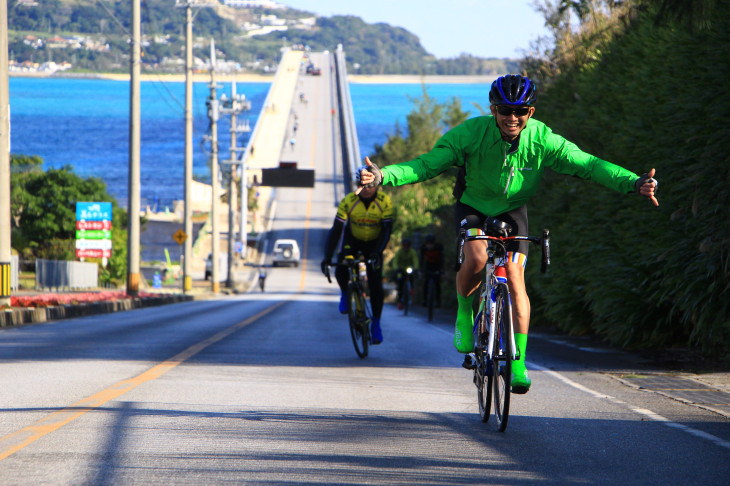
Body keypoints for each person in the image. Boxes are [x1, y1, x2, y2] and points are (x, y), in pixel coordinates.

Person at [356, 74, 658, 393]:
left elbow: (589, 164)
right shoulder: (471, 133)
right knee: (475, 257)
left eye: (520, 111)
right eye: (504, 110)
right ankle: (463, 313)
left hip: (513, 211)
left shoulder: (544, 140)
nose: (511, 118)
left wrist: (632, 182)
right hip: (473, 206)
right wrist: (383, 175)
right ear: (493, 109)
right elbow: (426, 165)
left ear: (531, 112)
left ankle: (518, 365)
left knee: (515, 276)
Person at [321, 174, 393, 344]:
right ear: (357, 185)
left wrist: (378, 252)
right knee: (342, 266)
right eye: (363, 185)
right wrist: (327, 257)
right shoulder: (348, 201)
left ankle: (376, 324)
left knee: (376, 285)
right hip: (353, 241)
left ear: (376, 185)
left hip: (374, 244)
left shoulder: (384, 202)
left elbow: (387, 230)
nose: (367, 190)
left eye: (370, 185)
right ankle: (345, 293)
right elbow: (336, 230)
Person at [390, 237, 419, 310]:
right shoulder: (399, 252)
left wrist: (415, 268)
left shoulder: (412, 252)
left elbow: (415, 260)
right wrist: (396, 268)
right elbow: (395, 261)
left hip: (409, 269)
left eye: (407, 246)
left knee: (412, 276)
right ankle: (400, 300)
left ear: (409, 246)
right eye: (404, 245)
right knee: (400, 281)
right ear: (403, 246)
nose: (406, 247)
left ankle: (411, 288)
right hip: (401, 270)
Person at [420, 233, 444, 307]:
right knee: (426, 283)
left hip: (437, 265)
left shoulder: (438, 247)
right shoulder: (423, 248)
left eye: (431, 244)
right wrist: (421, 270)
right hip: (428, 266)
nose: (429, 246)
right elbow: (421, 259)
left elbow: (442, 259)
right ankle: (425, 300)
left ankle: (438, 300)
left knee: (437, 284)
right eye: (428, 244)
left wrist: (442, 270)